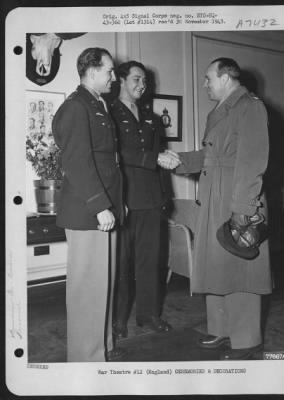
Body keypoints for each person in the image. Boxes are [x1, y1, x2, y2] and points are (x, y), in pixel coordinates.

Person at [162, 58, 271, 360]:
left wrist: (244, 210)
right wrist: (180, 160)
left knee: (240, 268)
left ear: (225, 77)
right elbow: (212, 157)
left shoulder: (250, 107)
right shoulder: (220, 110)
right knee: (216, 265)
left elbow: (252, 161)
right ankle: (222, 330)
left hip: (236, 197)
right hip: (214, 196)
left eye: (209, 78)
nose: (205, 83)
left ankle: (247, 341)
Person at [52, 47, 125, 362]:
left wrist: (114, 204)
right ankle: (85, 361)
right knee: (87, 289)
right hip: (88, 211)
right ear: (92, 70)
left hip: (101, 210)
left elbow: (107, 162)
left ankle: (101, 348)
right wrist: (100, 205)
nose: (113, 76)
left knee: (102, 285)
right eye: (109, 70)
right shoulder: (76, 107)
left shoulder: (97, 105)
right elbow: (77, 162)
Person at [110, 61, 178, 338]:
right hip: (123, 198)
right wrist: (154, 158)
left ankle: (149, 315)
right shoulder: (109, 113)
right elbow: (117, 153)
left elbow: (159, 155)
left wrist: (165, 195)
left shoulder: (151, 116)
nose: (142, 85)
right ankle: (117, 321)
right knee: (121, 264)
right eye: (136, 79)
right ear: (121, 81)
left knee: (151, 262)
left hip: (150, 199)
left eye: (145, 81)